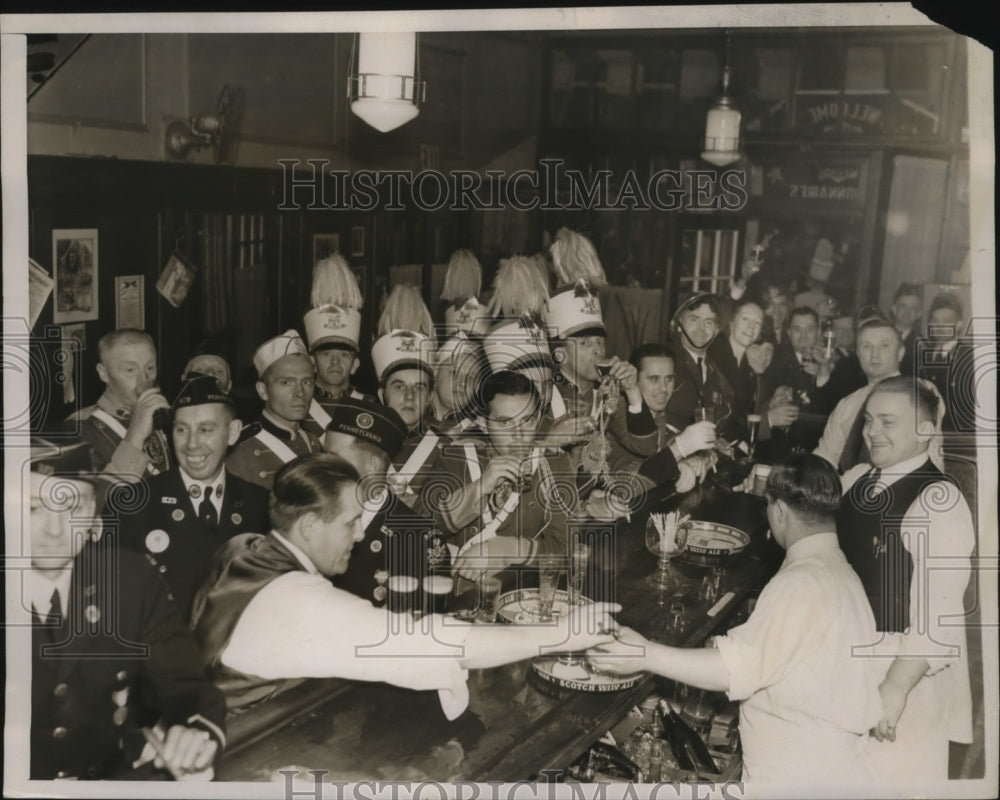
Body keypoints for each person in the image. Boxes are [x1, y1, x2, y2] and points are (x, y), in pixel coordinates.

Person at [190, 453, 617, 715]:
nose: (359, 536)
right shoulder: (299, 600)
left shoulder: (244, 547)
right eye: (351, 523)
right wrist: (562, 633)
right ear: (306, 525)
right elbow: (435, 641)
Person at [588, 453, 883, 787]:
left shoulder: (801, 583)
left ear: (780, 511)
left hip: (798, 776)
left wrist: (643, 653)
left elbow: (732, 670)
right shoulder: (842, 573)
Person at [28, 439, 226, 780]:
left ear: (93, 514)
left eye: (73, 508)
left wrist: (196, 733)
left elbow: (184, 684)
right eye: (33, 508)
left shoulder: (128, 579)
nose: (55, 530)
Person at [837, 376, 974, 785]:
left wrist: (894, 689)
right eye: (868, 420)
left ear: (926, 432)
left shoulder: (939, 502)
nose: (871, 432)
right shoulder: (858, 478)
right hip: (848, 665)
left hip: (903, 682)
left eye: (887, 422)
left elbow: (939, 617)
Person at [114, 375, 270, 621]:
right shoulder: (136, 504)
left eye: (206, 430)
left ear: (233, 432)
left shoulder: (261, 506)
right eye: (181, 430)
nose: (192, 444)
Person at [427, 371, 579, 580]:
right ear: (482, 422)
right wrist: (480, 486)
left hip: (520, 590)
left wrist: (505, 549)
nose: (519, 434)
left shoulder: (554, 464)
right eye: (505, 423)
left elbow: (569, 552)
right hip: (454, 592)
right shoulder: (457, 458)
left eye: (527, 420)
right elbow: (415, 531)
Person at [322, 397, 440, 605]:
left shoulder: (417, 539)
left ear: (372, 464)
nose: (322, 465)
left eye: (333, 457)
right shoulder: (311, 513)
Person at [814, 318, 944, 473]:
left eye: (884, 346)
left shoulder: (919, 391)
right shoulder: (847, 404)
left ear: (900, 353)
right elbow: (824, 458)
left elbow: (931, 455)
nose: (875, 354)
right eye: (866, 346)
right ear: (858, 354)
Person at [606, 343, 716, 493]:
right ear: (633, 380)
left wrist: (694, 460)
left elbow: (667, 455)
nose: (663, 389)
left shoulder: (663, 416)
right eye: (653, 379)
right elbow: (628, 486)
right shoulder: (618, 415)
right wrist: (678, 457)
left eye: (669, 379)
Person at [69, 328, 171, 481]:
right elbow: (101, 500)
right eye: (130, 370)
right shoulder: (79, 429)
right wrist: (135, 435)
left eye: (150, 368)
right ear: (103, 373)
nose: (144, 379)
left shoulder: (156, 415)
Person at [226, 330, 322, 490]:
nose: (300, 393)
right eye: (286, 382)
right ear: (262, 390)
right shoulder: (243, 451)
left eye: (307, 382)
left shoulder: (313, 443)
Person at [301, 254, 375, 439]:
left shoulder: (372, 406)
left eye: (344, 355)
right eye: (325, 354)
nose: (335, 362)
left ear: (355, 365)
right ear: (312, 362)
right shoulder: (298, 404)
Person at [663, 292, 738, 441]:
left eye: (708, 322)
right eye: (694, 319)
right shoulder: (663, 363)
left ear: (716, 331)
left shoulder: (720, 377)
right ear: (679, 325)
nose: (701, 328)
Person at [918, 292, 975, 433]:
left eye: (946, 321)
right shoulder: (924, 356)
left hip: (956, 436)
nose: (939, 326)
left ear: (959, 324)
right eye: (935, 321)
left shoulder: (969, 357)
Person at [890, 283, 923, 377]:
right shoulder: (878, 336)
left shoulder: (923, 345)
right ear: (894, 309)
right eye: (903, 306)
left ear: (919, 314)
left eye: (913, 308)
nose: (907, 312)